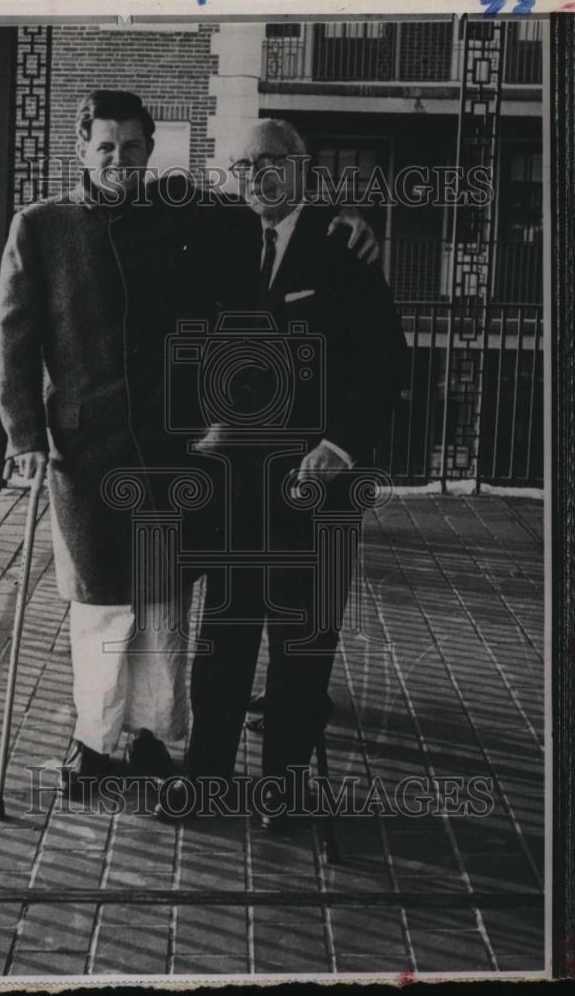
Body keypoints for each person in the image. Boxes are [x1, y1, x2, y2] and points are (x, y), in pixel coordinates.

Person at [0, 91, 381, 796]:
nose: (120, 160)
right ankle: (93, 742)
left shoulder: (177, 213)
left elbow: (257, 207)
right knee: (101, 604)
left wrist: (339, 217)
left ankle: (148, 735)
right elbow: (13, 340)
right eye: (106, 146)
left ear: (151, 150)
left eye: (134, 147)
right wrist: (24, 433)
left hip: (172, 454)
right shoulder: (40, 226)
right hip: (84, 454)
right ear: (81, 147)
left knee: (164, 601)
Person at [159, 119, 408, 827]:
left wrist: (338, 447)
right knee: (225, 640)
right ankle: (205, 778)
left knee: (302, 644)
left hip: (317, 482)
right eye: (242, 168)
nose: (256, 179)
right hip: (236, 486)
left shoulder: (339, 244)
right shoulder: (226, 238)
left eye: (269, 163)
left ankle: (285, 789)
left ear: (302, 168)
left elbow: (384, 360)